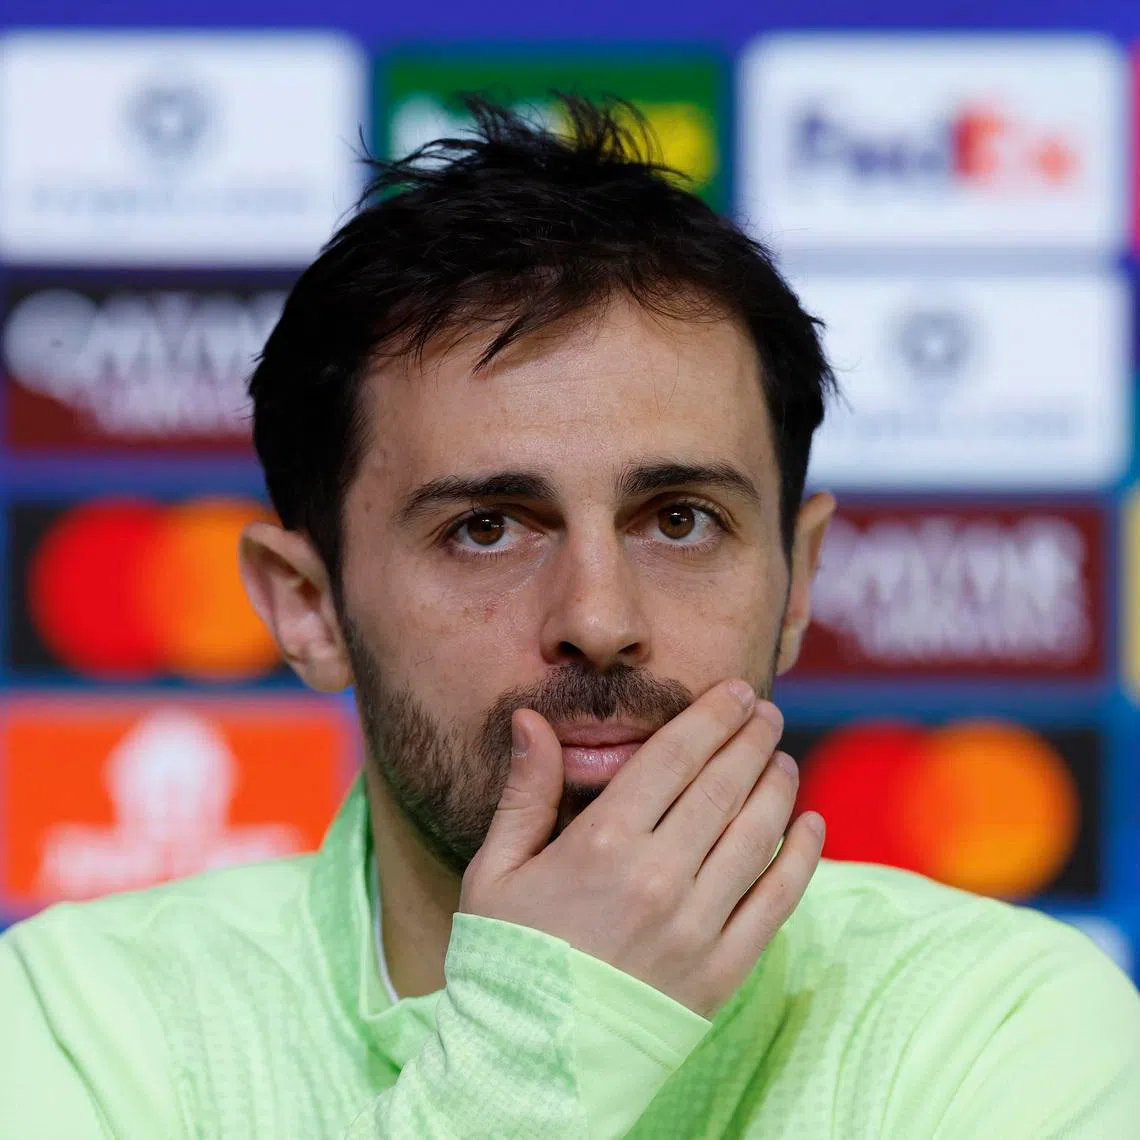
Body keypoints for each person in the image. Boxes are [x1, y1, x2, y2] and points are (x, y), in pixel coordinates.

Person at [2, 97, 1138, 1140]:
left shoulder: (998, 1025)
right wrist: (538, 1048)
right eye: (486, 528)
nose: (598, 619)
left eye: (680, 521)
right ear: (310, 607)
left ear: (797, 583)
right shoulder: (81, 1030)